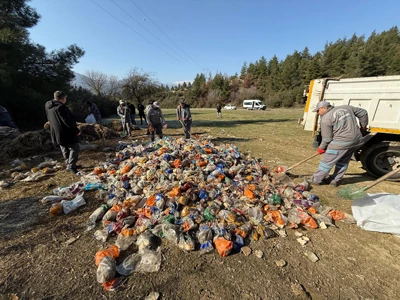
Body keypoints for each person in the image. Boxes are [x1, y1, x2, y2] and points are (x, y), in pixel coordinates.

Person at [311, 101, 368, 187]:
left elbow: (327, 138)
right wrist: (363, 126)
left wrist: (321, 148)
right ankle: (335, 180)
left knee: (326, 162)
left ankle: (316, 179)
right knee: (343, 161)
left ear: (324, 108)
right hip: (356, 141)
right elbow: (363, 113)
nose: (318, 113)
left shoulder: (326, 119)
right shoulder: (347, 108)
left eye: (318, 110)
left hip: (341, 142)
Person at [45, 91, 80, 174]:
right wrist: (75, 130)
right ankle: (71, 166)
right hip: (66, 132)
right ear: (63, 98)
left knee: (64, 148)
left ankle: (69, 164)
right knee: (75, 148)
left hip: (56, 132)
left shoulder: (48, 107)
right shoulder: (61, 107)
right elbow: (67, 121)